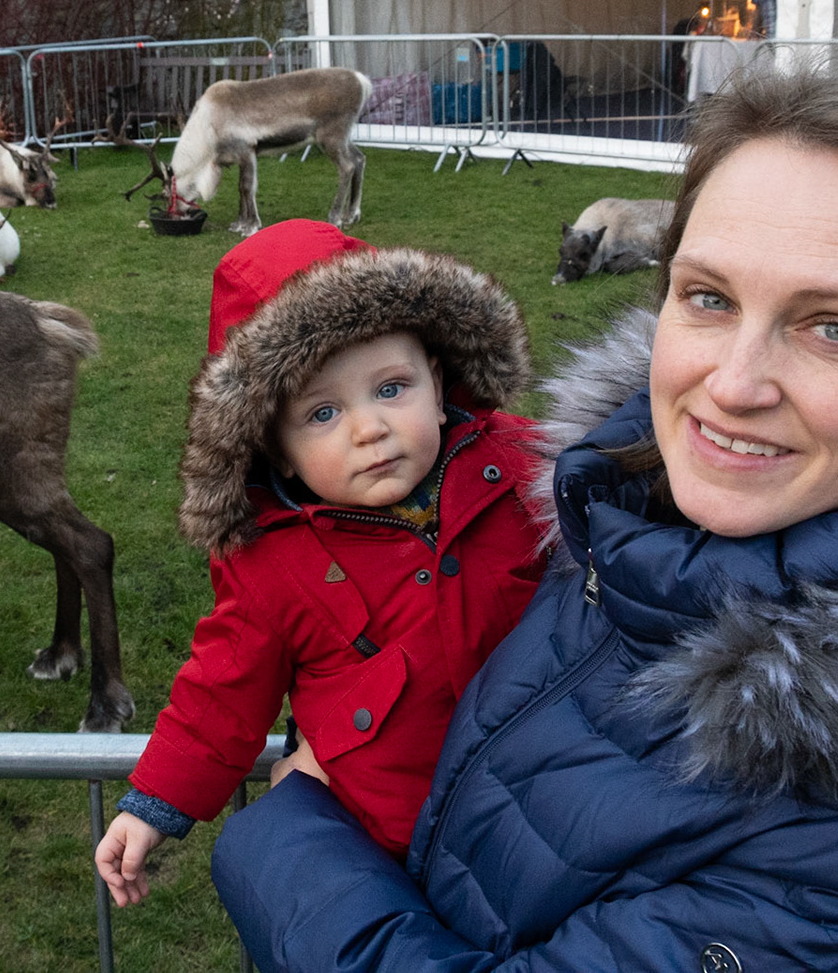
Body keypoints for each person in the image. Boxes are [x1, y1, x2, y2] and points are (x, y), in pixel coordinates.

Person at [213, 68, 838, 971]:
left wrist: (284, 834)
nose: (731, 384)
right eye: (710, 297)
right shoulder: (616, 522)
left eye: (834, 327)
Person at [94, 220, 549, 904]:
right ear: (275, 450)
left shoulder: (523, 467)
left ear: (437, 380)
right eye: (323, 414)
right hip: (396, 847)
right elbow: (222, 689)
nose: (370, 428)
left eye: (391, 388)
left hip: (546, 806)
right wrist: (154, 803)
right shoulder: (270, 564)